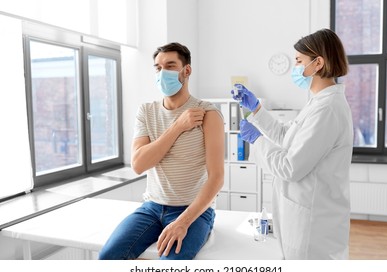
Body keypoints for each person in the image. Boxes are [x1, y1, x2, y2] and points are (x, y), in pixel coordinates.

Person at [232, 29, 353, 259]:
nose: (295, 68)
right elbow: (286, 137)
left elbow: (290, 167)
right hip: (302, 213)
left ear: (318, 63)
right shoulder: (318, 102)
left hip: (313, 223)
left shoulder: (327, 108)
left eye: (299, 61)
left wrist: (256, 140)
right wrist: (256, 108)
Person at [99, 42, 225, 260]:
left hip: (193, 211)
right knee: (108, 257)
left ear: (187, 71)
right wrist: (177, 127)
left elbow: (217, 178)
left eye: (170, 65)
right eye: (157, 67)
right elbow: (139, 164)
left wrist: (183, 222)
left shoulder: (208, 113)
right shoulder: (146, 111)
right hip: (151, 208)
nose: (162, 72)